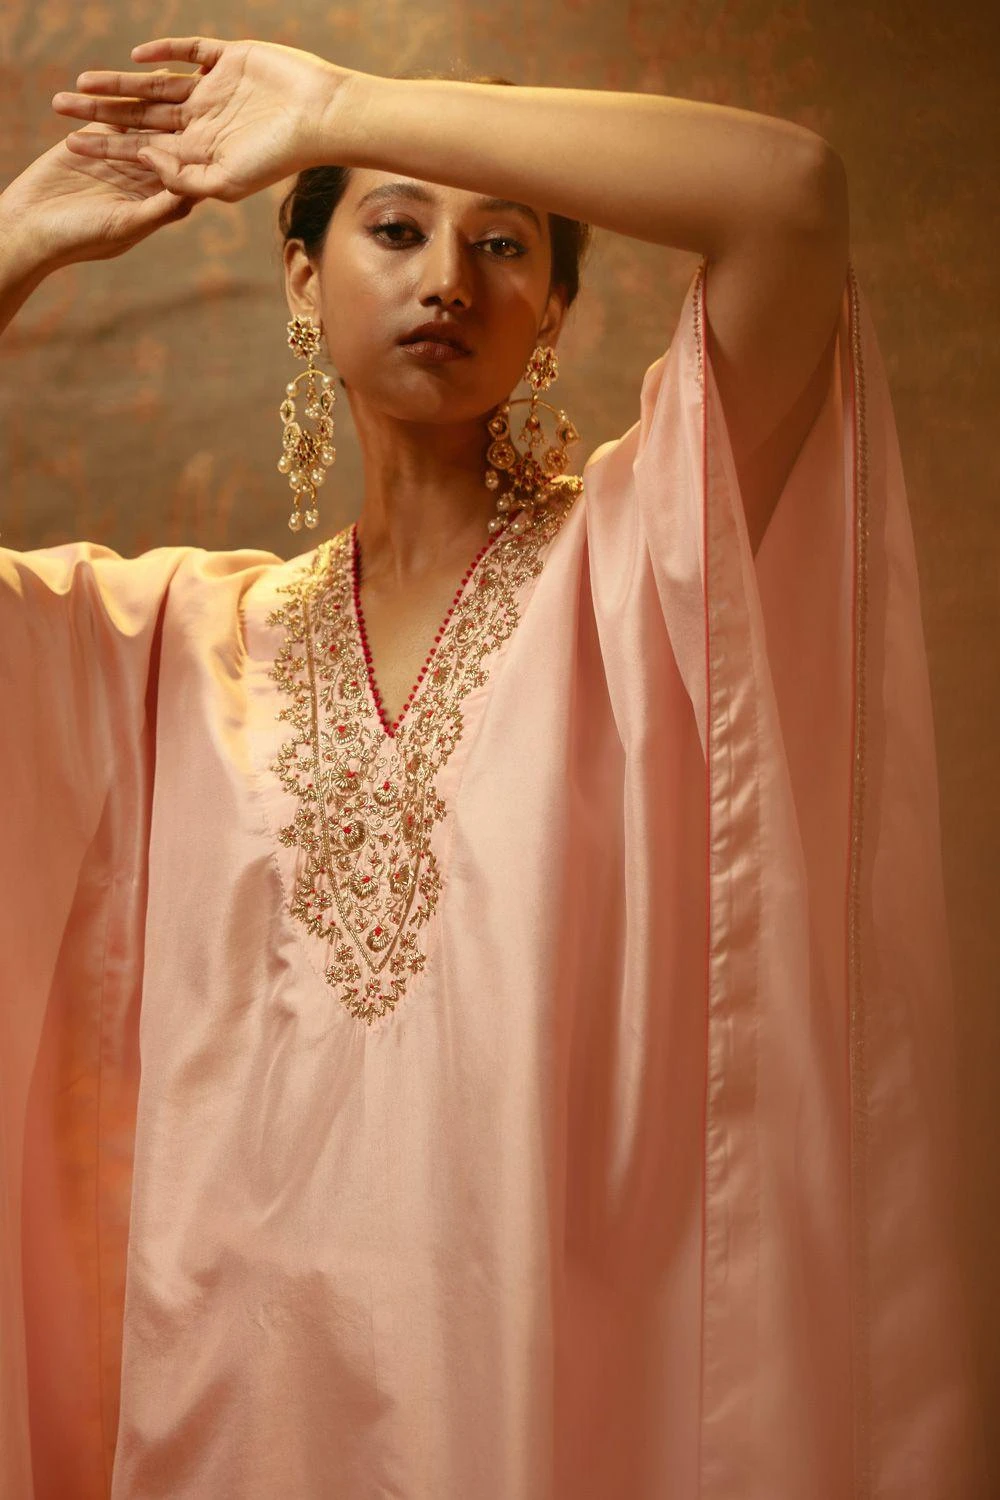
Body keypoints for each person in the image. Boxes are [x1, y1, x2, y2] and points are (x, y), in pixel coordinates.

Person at [0, 35, 986, 1500]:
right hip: (224, 1412)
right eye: (395, 228)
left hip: (538, 1404)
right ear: (300, 278)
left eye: (506, 245)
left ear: (557, 309)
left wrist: (341, 113)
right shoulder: (164, 650)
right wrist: (17, 235)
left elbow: (788, 194)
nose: (450, 279)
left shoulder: (640, 572)